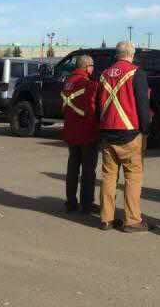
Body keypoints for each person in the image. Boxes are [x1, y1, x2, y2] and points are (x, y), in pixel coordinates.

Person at [98, 41, 153, 233]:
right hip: (130, 133)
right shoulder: (136, 73)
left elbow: (98, 103)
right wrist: (146, 130)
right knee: (133, 177)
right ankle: (132, 220)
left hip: (107, 131)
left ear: (117, 54)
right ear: (132, 54)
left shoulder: (104, 74)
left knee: (108, 176)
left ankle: (106, 219)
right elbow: (143, 104)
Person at [61, 54, 98, 214]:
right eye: (92, 66)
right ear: (87, 67)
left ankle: (70, 202)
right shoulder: (88, 84)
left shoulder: (68, 82)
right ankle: (87, 204)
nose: (93, 69)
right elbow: (92, 108)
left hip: (70, 131)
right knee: (88, 171)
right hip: (87, 132)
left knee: (72, 168)